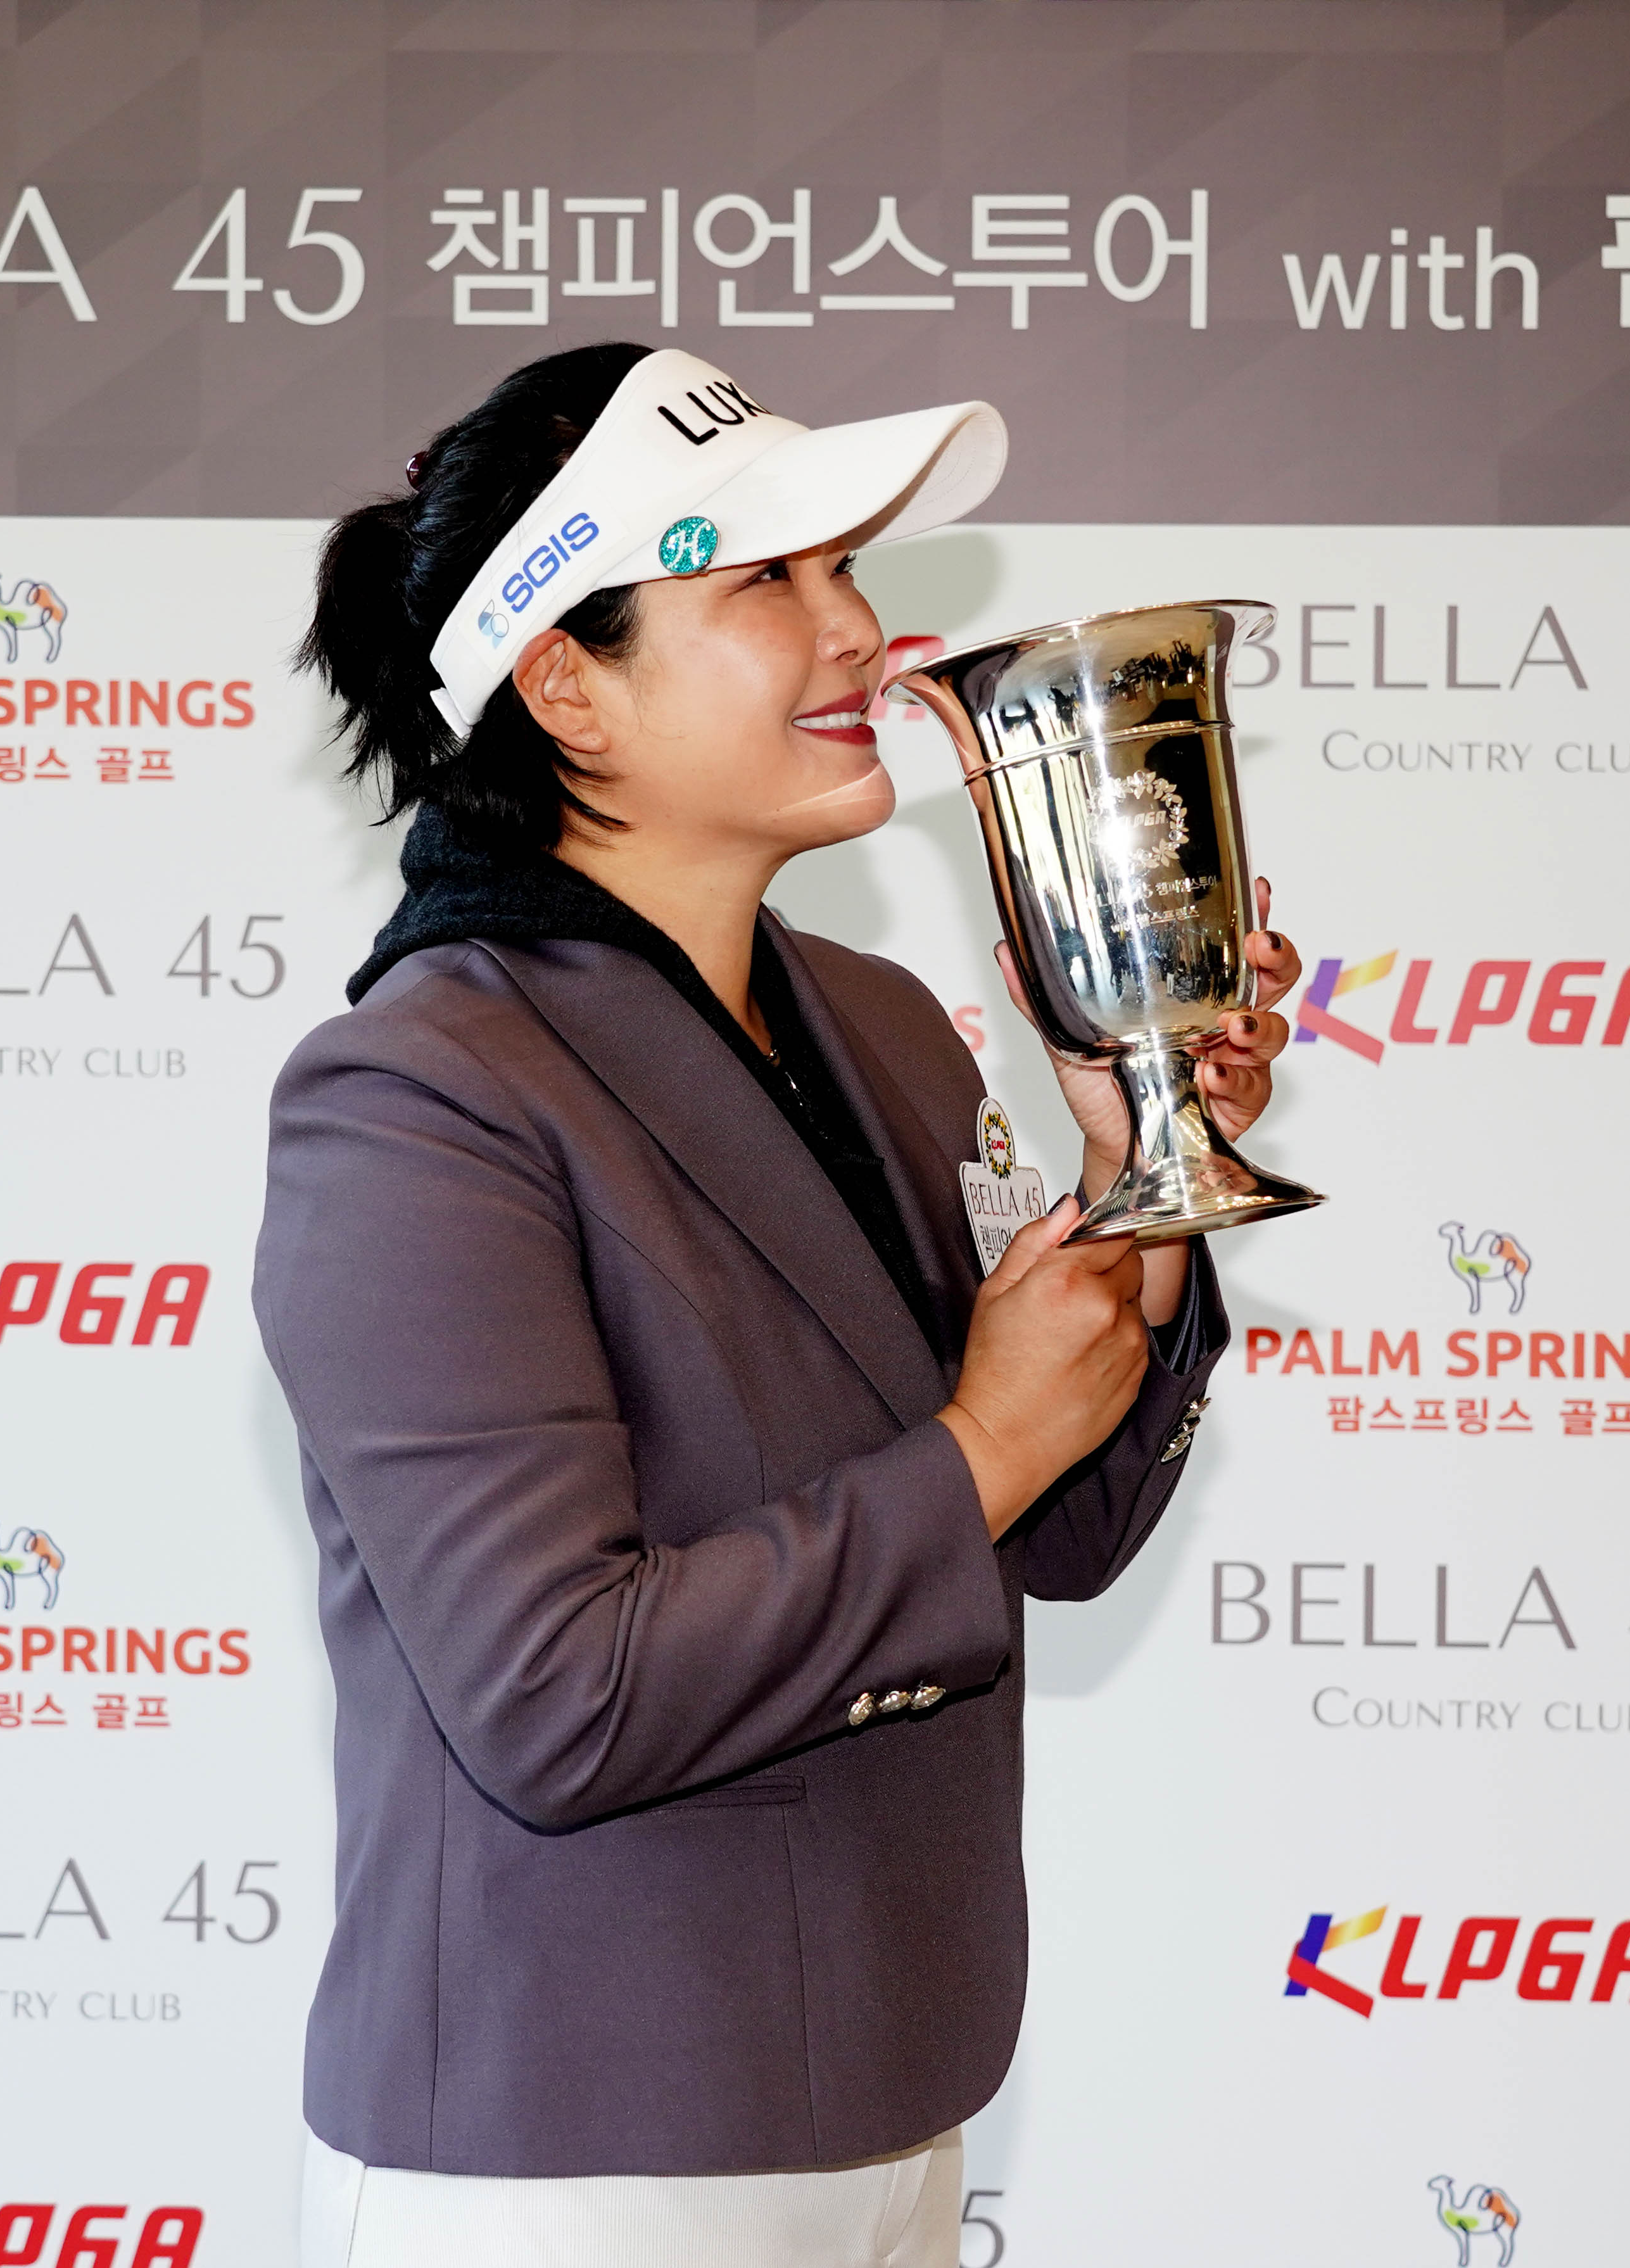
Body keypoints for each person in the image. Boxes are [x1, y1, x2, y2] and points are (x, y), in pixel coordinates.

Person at [255, 342, 1299, 2268]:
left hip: (894, 2103)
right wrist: (979, 1438)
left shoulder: (881, 1028)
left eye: (847, 570)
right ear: (567, 686)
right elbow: (559, 1698)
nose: (860, 632)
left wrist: (1133, 1171)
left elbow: (1060, 1529)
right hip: (577, 2149)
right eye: (767, 582)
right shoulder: (420, 1093)